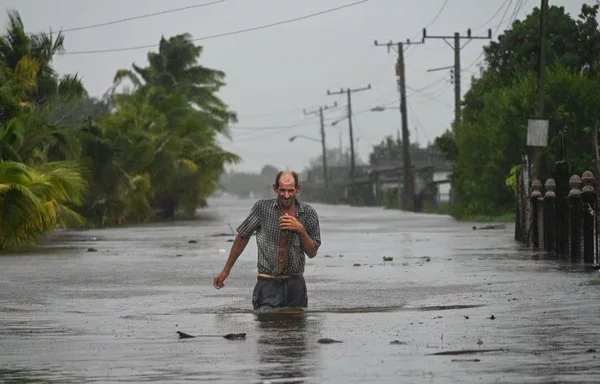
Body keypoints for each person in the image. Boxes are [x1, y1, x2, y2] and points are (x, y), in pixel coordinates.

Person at [212, 170, 321, 310]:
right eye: (282, 190)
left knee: (296, 328)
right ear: (275, 188)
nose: (286, 195)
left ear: (298, 189)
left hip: (295, 284)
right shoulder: (262, 209)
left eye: (290, 190)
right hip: (267, 282)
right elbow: (242, 237)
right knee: (266, 326)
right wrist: (226, 271)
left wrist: (300, 230)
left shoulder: (308, 213)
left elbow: (312, 252)